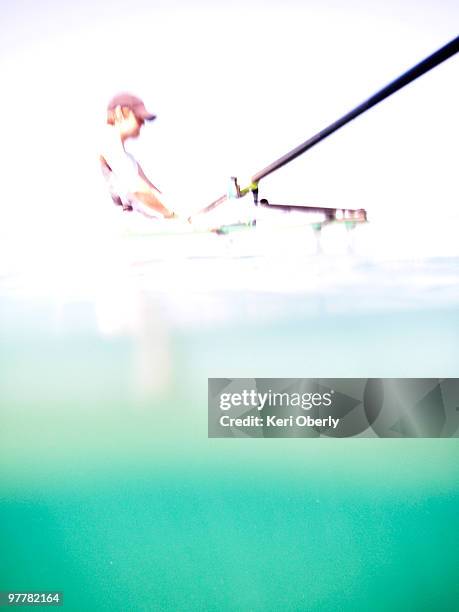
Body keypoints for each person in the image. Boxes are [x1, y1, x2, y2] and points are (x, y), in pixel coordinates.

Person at [100, 92, 175, 219]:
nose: (143, 124)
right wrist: (171, 214)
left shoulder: (129, 161)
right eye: (139, 118)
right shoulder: (105, 139)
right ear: (120, 113)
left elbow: (154, 193)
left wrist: (181, 210)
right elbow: (137, 188)